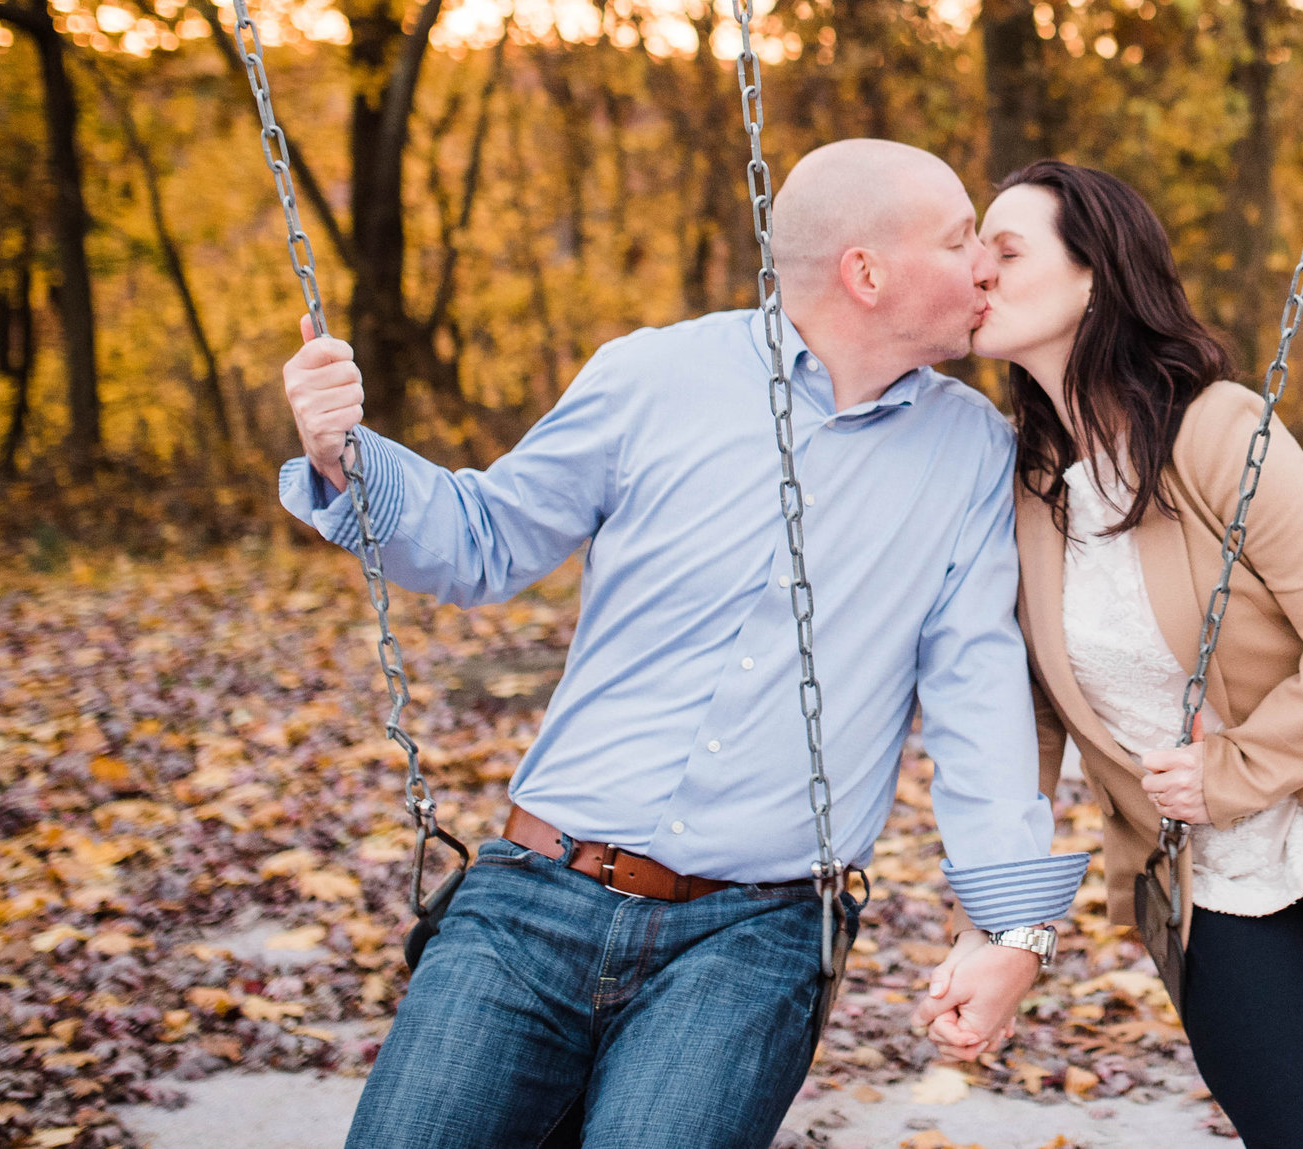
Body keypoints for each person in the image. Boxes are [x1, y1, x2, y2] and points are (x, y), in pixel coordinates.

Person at [276, 138, 1088, 1149]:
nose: (983, 266)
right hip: (535, 898)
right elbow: (482, 544)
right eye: (961, 237)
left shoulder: (969, 452)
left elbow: (977, 700)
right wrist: (343, 455)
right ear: (865, 272)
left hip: (755, 937)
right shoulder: (653, 376)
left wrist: (1012, 927)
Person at [930, 159, 1303, 1149]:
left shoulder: (1213, 431)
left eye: (1008, 249)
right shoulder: (1024, 489)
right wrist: (996, 917)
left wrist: (1231, 771)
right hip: (1206, 876)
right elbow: (1021, 720)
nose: (978, 268)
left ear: (1095, 277)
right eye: (972, 246)